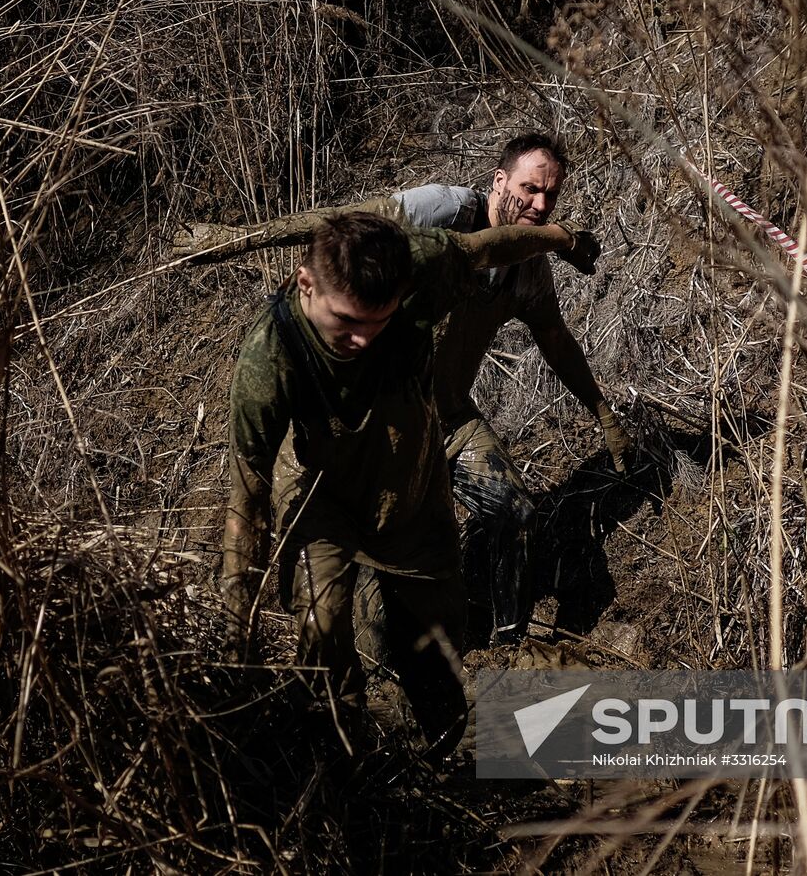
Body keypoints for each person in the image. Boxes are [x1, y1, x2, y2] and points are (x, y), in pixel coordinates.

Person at [219, 209, 600, 763]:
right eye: (346, 321)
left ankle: (449, 750)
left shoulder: (421, 258)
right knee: (322, 626)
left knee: (439, 636)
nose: (361, 338)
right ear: (307, 283)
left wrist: (561, 239)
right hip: (319, 490)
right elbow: (246, 493)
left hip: (408, 475)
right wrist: (236, 623)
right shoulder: (268, 359)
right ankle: (345, 760)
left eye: (377, 321)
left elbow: (493, 246)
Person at [377, 133, 633, 645]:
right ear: (499, 181)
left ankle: (508, 645)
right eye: (529, 188)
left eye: (551, 196)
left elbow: (557, 343)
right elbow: (359, 233)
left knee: (516, 512)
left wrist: (602, 412)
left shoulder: (528, 271)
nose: (540, 204)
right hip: (380, 423)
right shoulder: (444, 211)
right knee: (383, 567)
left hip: (448, 417)